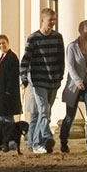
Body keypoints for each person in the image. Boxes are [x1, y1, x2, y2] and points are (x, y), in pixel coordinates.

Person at [22, 9, 66, 155]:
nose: (52, 23)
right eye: (50, 20)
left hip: (53, 81)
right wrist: (24, 78)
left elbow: (61, 59)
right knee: (43, 110)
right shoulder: (33, 38)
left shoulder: (58, 37)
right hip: (39, 81)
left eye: (54, 20)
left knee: (46, 113)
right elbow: (25, 60)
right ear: (42, 20)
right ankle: (44, 139)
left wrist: (60, 76)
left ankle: (35, 141)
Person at [60, 19, 87, 153]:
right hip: (74, 85)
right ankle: (63, 141)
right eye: (86, 33)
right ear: (80, 31)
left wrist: (86, 77)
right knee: (70, 116)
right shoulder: (72, 47)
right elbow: (70, 66)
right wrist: (77, 80)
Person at [0, 34, 22, 142]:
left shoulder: (12, 58)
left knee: (8, 119)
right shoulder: (2, 58)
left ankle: (12, 141)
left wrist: (8, 91)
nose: (2, 45)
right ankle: (5, 141)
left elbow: (13, 76)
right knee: (2, 119)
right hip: (1, 94)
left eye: (3, 43)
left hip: (8, 94)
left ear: (8, 43)